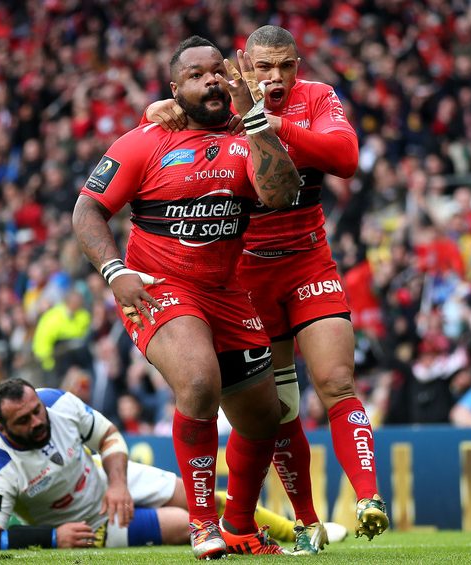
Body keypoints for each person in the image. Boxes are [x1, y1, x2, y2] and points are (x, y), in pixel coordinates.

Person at [144, 25, 388, 549]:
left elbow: (345, 158)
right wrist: (154, 112)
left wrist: (272, 123)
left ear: (299, 65)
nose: (275, 78)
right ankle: (306, 520)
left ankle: (369, 497)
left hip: (308, 265)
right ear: (242, 64)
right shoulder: (217, 102)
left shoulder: (317, 98)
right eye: (263, 67)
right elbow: (165, 126)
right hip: (247, 278)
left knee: (337, 379)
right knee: (278, 408)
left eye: (286, 66)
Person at [72, 36, 300, 558]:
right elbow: (86, 212)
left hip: (227, 292)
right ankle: (202, 524)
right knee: (198, 381)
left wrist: (257, 123)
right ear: (176, 89)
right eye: (197, 76)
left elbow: (281, 194)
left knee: (266, 415)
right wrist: (114, 272)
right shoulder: (143, 141)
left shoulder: (248, 136)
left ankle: (240, 526)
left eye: (218, 71)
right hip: (156, 288)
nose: (212, 80)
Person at [0, 379, 345, 553]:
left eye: (37, 410)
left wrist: (117, 483)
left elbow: (110, 437)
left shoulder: (57, 404)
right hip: (89, 524)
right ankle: (254, 543)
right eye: (25, 421)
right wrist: (53, 538)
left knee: (201, 499)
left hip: (107, 478)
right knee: (188, 528)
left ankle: (296, 530)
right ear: (1, 427)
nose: (38, 421)